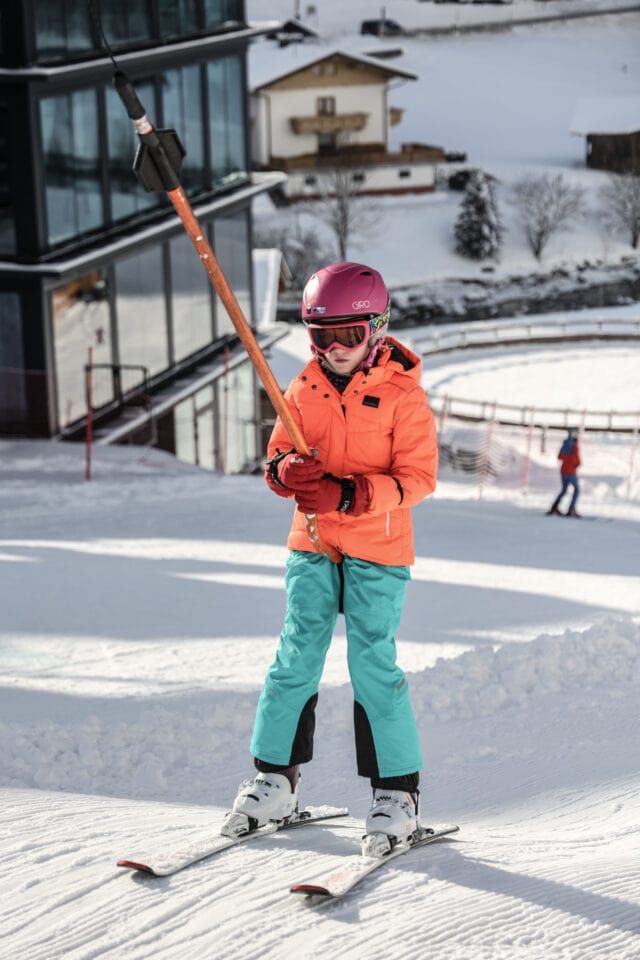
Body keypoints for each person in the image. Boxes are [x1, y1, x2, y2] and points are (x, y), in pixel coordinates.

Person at [221, 261, 438, 850]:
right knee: (296, 656)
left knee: (372, 664)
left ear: (377, 327)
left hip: (377, 546)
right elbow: (276, 458)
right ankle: (275, 780)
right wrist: (286, 471)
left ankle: (397, 793)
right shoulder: (300, 388)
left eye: (350, 334)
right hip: (313, 541)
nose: (336, 349)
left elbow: (418, 479)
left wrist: (352, 492)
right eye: (323, 336)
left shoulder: (402, 397)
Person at [547, 428, 581, 517]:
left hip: (563, 471)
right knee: (577, 490)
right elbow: (575, 459)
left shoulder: (565, 444)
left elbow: (560, 456)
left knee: (564, 490)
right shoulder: (574, 445)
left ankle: (554, 506)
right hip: (571, 472)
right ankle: (571, 508)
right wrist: (577, 463)